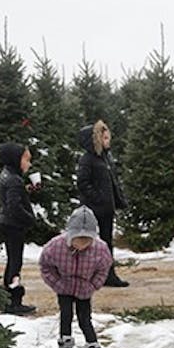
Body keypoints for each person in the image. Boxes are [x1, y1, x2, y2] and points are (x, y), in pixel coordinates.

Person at [39, 205, 113, 348]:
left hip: (84, 290)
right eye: (78, 240)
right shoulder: (55, 246)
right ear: (70, 235)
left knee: (84, 319)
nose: (82, 245)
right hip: (63, 288)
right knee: (65, 316)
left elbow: (104, 269)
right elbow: (45, 266)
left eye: (86, 241)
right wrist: (57, 284)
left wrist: (93, 285)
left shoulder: (100, 250)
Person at [77, 119, 129, 287]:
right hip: (94, 208)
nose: (108, 141)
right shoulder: (87, 159)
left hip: (107, 208)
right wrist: (98, 198)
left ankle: (108, 274)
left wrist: (118, 199)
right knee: (90, 242)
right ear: (97, 139)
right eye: (105, 138)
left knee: (107, 242)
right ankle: (87, 274)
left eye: (109, 138)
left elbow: (113, 181)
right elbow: (83, 183)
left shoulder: (106, 158)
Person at [0, 142, 37, 315]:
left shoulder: (9, 176)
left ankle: (9, 299)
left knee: (13, 260)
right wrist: (30, 219)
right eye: (26, 159)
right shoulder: (14, 179)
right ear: (16, 159)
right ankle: (13, 301)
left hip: (7, 222)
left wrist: (26, 190)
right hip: (13, 225)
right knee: (15, 263)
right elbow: (14, 206)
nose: (29, 164)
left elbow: (11, 197)